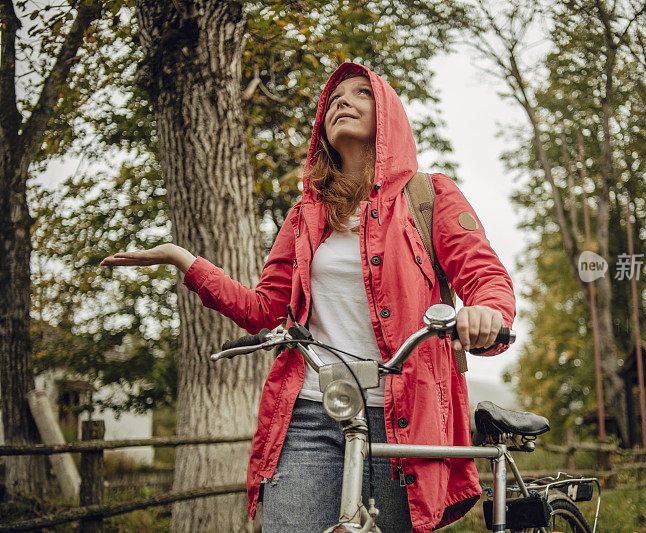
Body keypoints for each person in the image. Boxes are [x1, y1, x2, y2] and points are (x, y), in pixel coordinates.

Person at [101, 63, 515, 532]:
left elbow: (487, 278)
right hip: (311, 412)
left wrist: (486, 313)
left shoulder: (430, 196)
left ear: (389, 116)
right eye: (335, 97)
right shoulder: (306, 216)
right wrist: (185, 261)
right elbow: (263, 310)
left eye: (361, 93)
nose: (342, 100)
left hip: (400, 416)